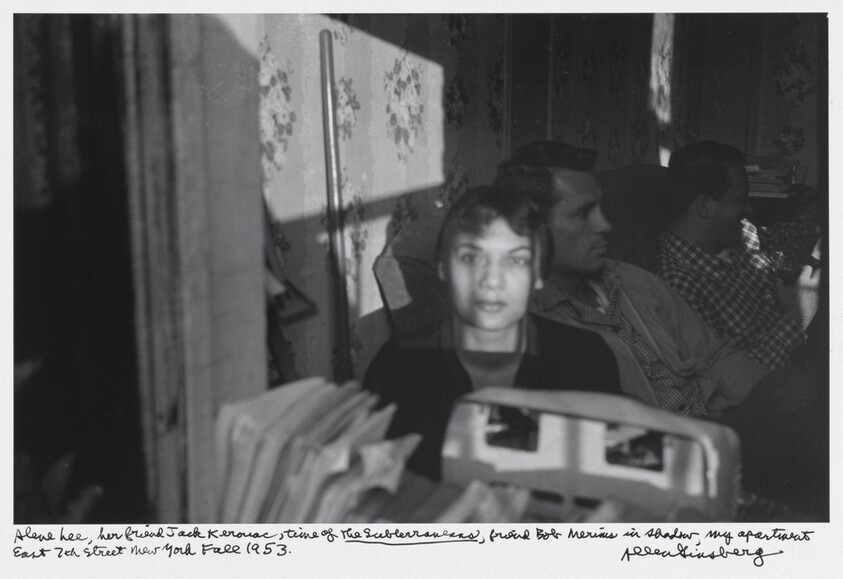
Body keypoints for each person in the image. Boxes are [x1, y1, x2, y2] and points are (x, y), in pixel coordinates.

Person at [497, 141, 826, 516]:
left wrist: (777, 414)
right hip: (673, 463)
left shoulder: (633, 281)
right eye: (583, 214)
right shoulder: (530, 326)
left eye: (601, 208)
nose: (605, 225)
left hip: (727, 426)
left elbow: (717, 355)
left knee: (810, 395)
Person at [364, 185, 621, 481]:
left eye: (517, 260)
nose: (492, 281)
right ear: (443, 269)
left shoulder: (585, 357)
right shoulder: (397, 369)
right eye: (472, 258)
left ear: (538, 276)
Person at [659, 141, 821, 369]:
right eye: (740, 199)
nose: (750, 209)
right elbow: (735, 379)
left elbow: (779, 239)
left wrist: (822, 217)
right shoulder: (680, 289)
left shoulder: (734, 232)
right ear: (704, 207)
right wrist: (797, 318)